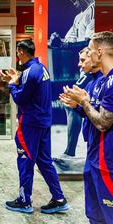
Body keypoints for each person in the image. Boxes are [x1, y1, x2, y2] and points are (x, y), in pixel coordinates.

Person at [0, 40, 69, 214]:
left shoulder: (29, 72)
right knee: (45, 162)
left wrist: (11, 85)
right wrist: (17, 81)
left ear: (21, 52)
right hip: (43, 123)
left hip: (30, 124)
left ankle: (24, 201)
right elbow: (30, 91)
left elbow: (20, 99)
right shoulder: (42, 68)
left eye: (17, 52)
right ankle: (59, 198)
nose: (17, 55)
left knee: (25, 161)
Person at [62, 31, 113, 223]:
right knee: (94, 213)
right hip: (94, 158)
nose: (86, 55)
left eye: (90, 51)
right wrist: (80, 104)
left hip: (108, 162)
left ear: (99, 53)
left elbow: (103, 123)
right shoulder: (101, 81)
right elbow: (94, 114)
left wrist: (83, 102)